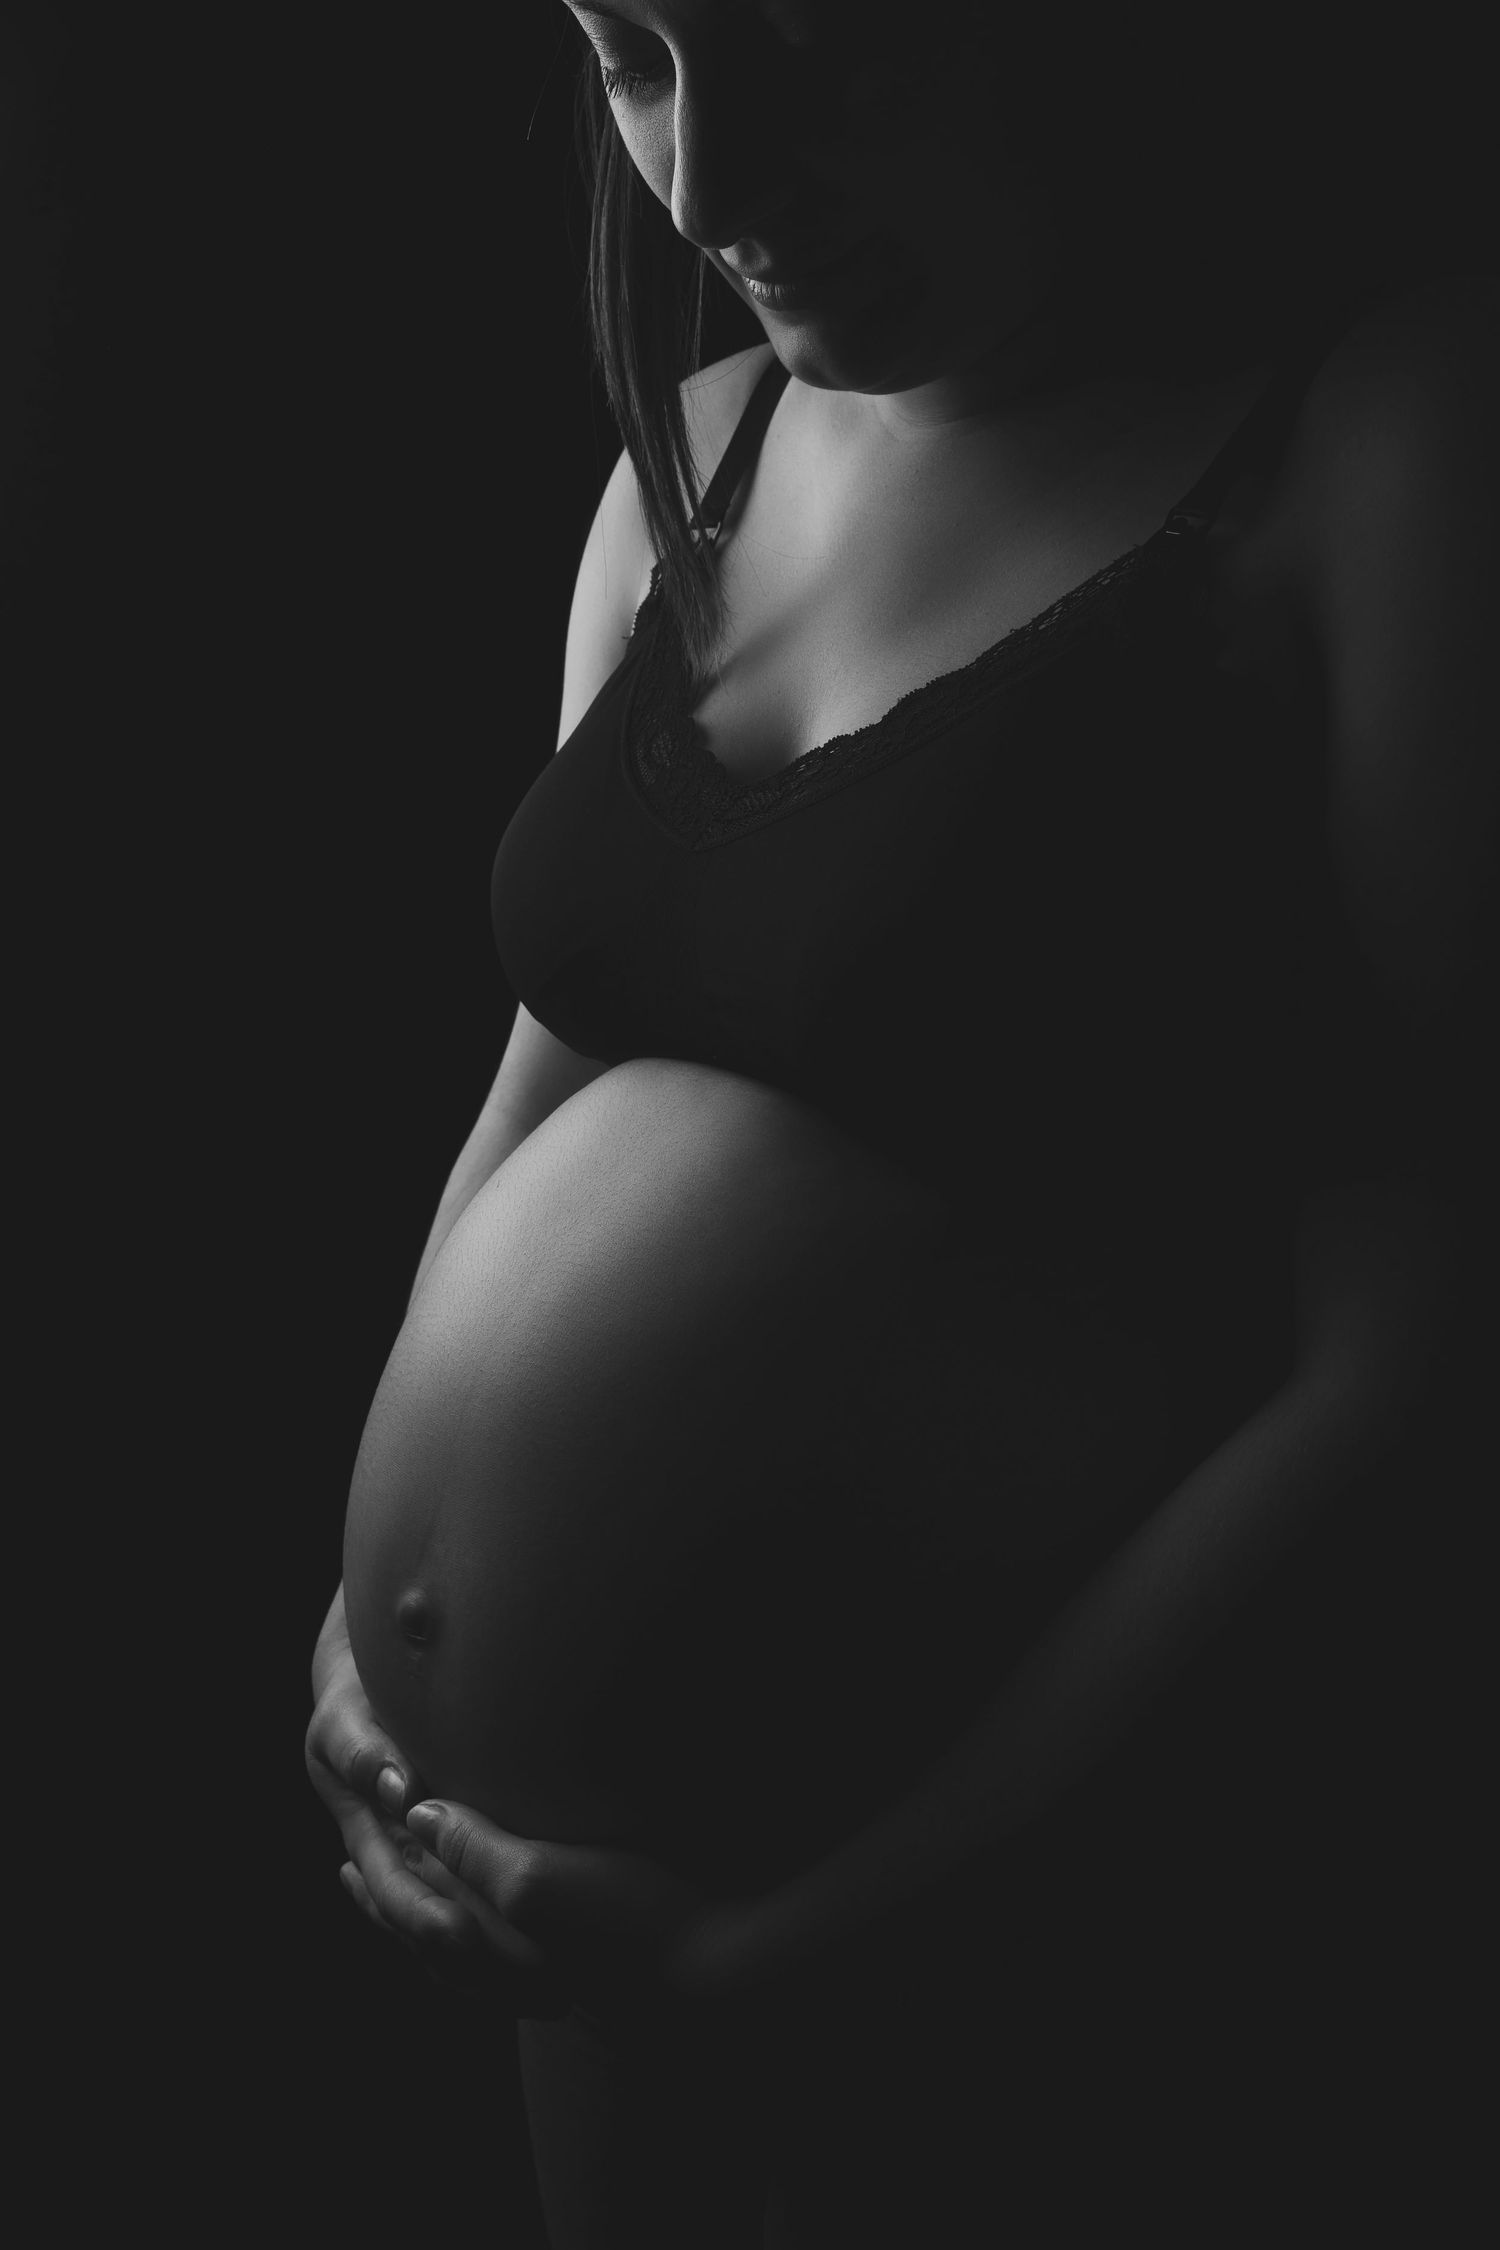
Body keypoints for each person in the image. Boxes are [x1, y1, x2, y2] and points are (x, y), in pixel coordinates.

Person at [306, 5, 1495, 2241]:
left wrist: (812, 1945)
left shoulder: (1393, 439)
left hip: (1040, 1942)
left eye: (830, 49)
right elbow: (543, 1072)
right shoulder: (694, 456)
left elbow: (1438, 1364)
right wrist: (369, 1647)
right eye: (637, 54)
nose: (711, 170)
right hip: (592, 1948)